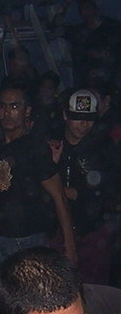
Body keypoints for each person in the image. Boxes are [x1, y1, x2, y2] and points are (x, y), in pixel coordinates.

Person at [0, 82, 76, 274]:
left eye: (14, 106)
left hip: (30, 240)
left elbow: (59, 197)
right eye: (2, 106)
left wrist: (69, 244)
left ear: (27, 111)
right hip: (0, 238)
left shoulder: (35, 148)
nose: (7, 113)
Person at [48, 88, 117, 285]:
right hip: (57, 229)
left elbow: (106, 192)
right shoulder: (51, 143)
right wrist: (51, 165)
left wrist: (66, 191)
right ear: (65, 115)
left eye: (89, 118)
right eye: (78, 118)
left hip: (92, 231)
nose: (84, 124)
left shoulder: (102, 148)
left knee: (93, 289)